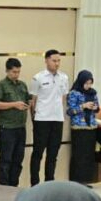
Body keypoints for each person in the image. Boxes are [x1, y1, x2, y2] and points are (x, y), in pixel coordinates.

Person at [28, 49, 69, 185]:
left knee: (53, 154)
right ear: (46, 60)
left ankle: (49, 183)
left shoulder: (64, 77)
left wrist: (58, 112)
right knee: (38, 153)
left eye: (59, 61)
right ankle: (34, 183)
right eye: (54, 60)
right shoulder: (38, 78)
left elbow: (63, 98)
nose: (57, 63)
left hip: (57, 119)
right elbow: (33, 100)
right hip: (42, 120)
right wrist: (34, 118)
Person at [0, 58, 31, 186]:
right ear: (7, 71)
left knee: (18, 160)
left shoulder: (22, 85)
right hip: (7, 128)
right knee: (6, 159)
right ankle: (4, 187)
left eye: (18, 72)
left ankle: (14, 186)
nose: (16, 74)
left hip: (21, 127)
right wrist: (14, 104)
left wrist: (27, 105)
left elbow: (28, 100)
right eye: (14, 72)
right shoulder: (1, 85)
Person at [66, 69, 99, 185]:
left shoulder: (93, 93)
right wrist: (83, 106)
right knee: (79, 154)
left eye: (90, 83)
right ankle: (76, 180)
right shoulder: (74, 93)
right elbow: (70, 111)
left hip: (91, 127)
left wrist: (95, 107)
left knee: (88, 154)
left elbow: (97, 107)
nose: (88, 86)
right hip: (79, 127)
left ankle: (86, 180)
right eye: (86, 83)